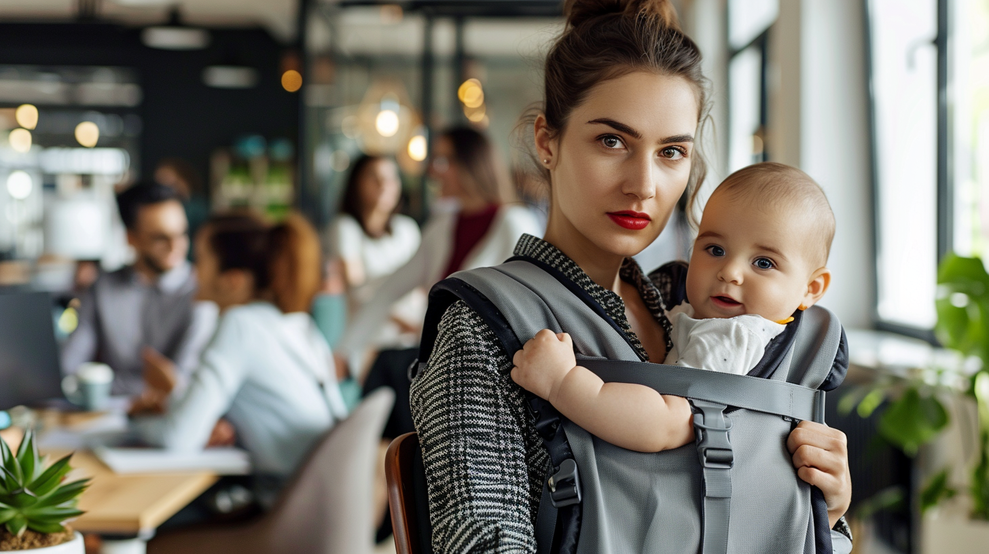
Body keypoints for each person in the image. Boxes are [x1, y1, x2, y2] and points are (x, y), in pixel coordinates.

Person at [409, 1, 853, 552]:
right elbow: (485, 540)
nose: (643, 184)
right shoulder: (484, 324)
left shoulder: (699, 305)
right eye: (612, 141)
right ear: (547, 142)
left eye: (670, 152)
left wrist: (822, 509)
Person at [511, 162, 834, 453]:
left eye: (763, 262)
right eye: (715, 249)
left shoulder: (730, 336)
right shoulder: (688, 307)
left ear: (811, 288)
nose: (730, 272)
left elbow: (664, 425)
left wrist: (562, 383)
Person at [135, 212, 348, 506]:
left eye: (203, 260)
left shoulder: (239, 324)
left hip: (286, 514)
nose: (193, 271)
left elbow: (177, 439)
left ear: (232, 280)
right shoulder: (298, 325)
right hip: (328, 504)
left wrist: (135, 423)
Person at [335, 126, 543, 376]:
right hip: (441, 372)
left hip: (496, 377)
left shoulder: (514, 223)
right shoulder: (442, 228)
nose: (433, 171)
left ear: (470, 165)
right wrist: (344, 352)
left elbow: (535, 309)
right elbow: (388, 292)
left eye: (442, 161)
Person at [60, 182, 216, 396]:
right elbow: (68, 369)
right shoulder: (102, 288)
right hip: (106, 418)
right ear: (131, 239)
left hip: (167, 419)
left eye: (182, 233)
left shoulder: (202, 293)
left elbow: (179, 384)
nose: (176, 246)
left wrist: (104, 385)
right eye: (161, 237)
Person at [326, 154, 422, 343]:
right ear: (356, 184)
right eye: (374, 177)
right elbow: (357, 291)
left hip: (412, 338)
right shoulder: (345, 227)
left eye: (390, 178)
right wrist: (404, 322)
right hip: (370, 341)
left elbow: (423, 285)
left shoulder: (407, 229)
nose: (383, 184)